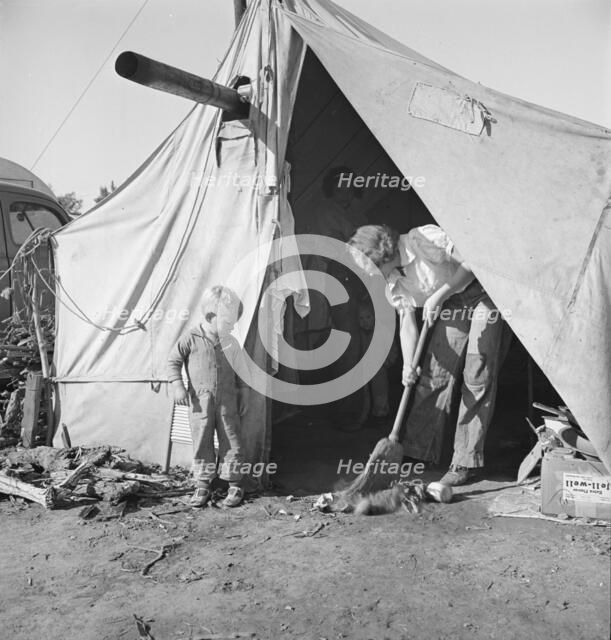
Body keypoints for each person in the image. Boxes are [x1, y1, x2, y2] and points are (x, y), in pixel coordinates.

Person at [348, 224, 505, 486]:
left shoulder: (422, 239)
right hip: (451, 305)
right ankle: (418, 452)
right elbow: (406, 319)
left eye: (372, 269)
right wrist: (408, 366)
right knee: (434, 373)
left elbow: (472, 263)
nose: (372, 276)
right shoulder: (391, 279)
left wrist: (439, 295)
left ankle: (464, 462)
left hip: (483, 292)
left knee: (476, 373)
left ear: (384, 256)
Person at [295, 166, 368, 426]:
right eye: (340, 185)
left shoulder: (347, 210)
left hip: (342, 278)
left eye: (349, 184)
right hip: (337, 277)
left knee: (347, 342)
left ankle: (349, 408)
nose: (345, 189)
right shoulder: (330, 211)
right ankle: (348, 412)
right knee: (349, 343)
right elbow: (359, 241)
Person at [168, 286, 249, 507]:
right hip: (200, 403)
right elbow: (173, 361)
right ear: (211, 316)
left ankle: (234, 483)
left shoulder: (231, 342)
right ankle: (203, 484)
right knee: (202, 440)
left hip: (227, 402)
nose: (233, 326)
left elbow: (241, 372)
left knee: (232, 440)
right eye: (229, 321)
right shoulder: (191, 338)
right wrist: (178, 386)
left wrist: (243, 396)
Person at [356, 299, 399, 427]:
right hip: (364, 367)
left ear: (375, 316)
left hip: (380, 368)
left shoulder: (382, 331)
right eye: (361, 318)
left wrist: (388, 362)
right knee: (364, 392)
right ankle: (365, 413)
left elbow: (393, 348)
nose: (365, 321)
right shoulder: (358, 334)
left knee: (380, 391)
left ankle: (381, 413)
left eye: (368, 317)